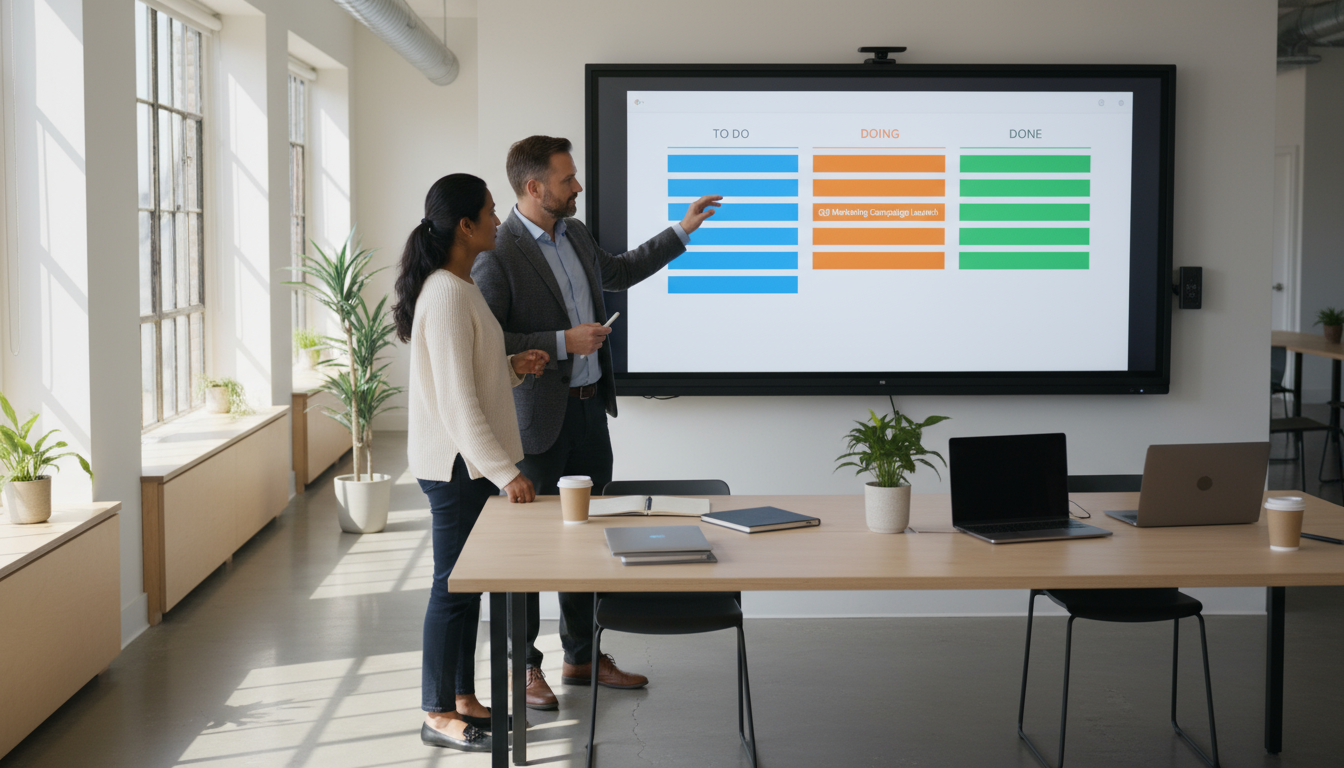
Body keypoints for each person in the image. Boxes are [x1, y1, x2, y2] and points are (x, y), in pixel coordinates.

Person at [472, 135, 720, 709]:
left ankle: (581, 656)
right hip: (534, 423)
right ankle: (521, 668)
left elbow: (621, 271)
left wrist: (681, 230)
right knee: (528, 554)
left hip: (588, 414)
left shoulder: (575, 233)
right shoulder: (498, 251)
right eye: (567, 179)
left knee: (588, 541)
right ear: (533, 187)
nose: (577, 187)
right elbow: (489, 341)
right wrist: (563, 341)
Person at [396, 173, 550, 752]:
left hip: (464, 464)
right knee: (452, 590)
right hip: (460, 468)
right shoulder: (447, 292)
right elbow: (458, 404)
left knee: (466, 589)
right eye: (489, 210)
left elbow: (466, 381)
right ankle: (437, 711)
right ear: (465, 225)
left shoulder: (457, 287)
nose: (496, 218)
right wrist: (506, 472)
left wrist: (512, 366)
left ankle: (462, 697)